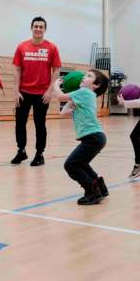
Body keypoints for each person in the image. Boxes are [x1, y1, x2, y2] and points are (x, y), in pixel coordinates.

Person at [50, 70, 110, 205]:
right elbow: (63, 112)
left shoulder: (84, 93)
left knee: (70, 165)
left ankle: (92, 192)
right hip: (95, 137)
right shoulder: (86, 95)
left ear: (96, 84)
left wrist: (56, 84)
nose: (83, 77)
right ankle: (100, 187)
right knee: (81, 163)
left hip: (93, 137)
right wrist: (71, 102)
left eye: (89, 76)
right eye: (84, 75)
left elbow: (60, 97)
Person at [10, 17, 61, 167]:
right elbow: (16, 69)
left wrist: (49, 90)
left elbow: (56, 69)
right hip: (23, 92)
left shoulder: (51, 48)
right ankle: (21, 150)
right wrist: (15, 90)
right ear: (31, 28)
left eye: (41, 27)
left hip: (42, 94)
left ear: (45, 29)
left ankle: (39, 154)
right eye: (36, 26)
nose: (38, 29)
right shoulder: (22, 47)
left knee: (40, 124)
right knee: (20, 123)